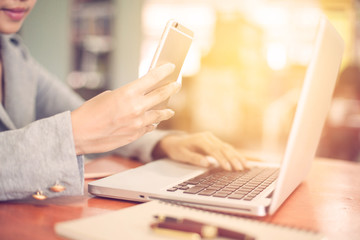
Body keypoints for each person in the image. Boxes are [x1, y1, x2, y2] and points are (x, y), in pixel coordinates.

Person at [0, 0, 246, 201]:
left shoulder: (15, 56)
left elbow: (93, 122)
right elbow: (82, 130)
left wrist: (164, 143)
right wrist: (71, 136)